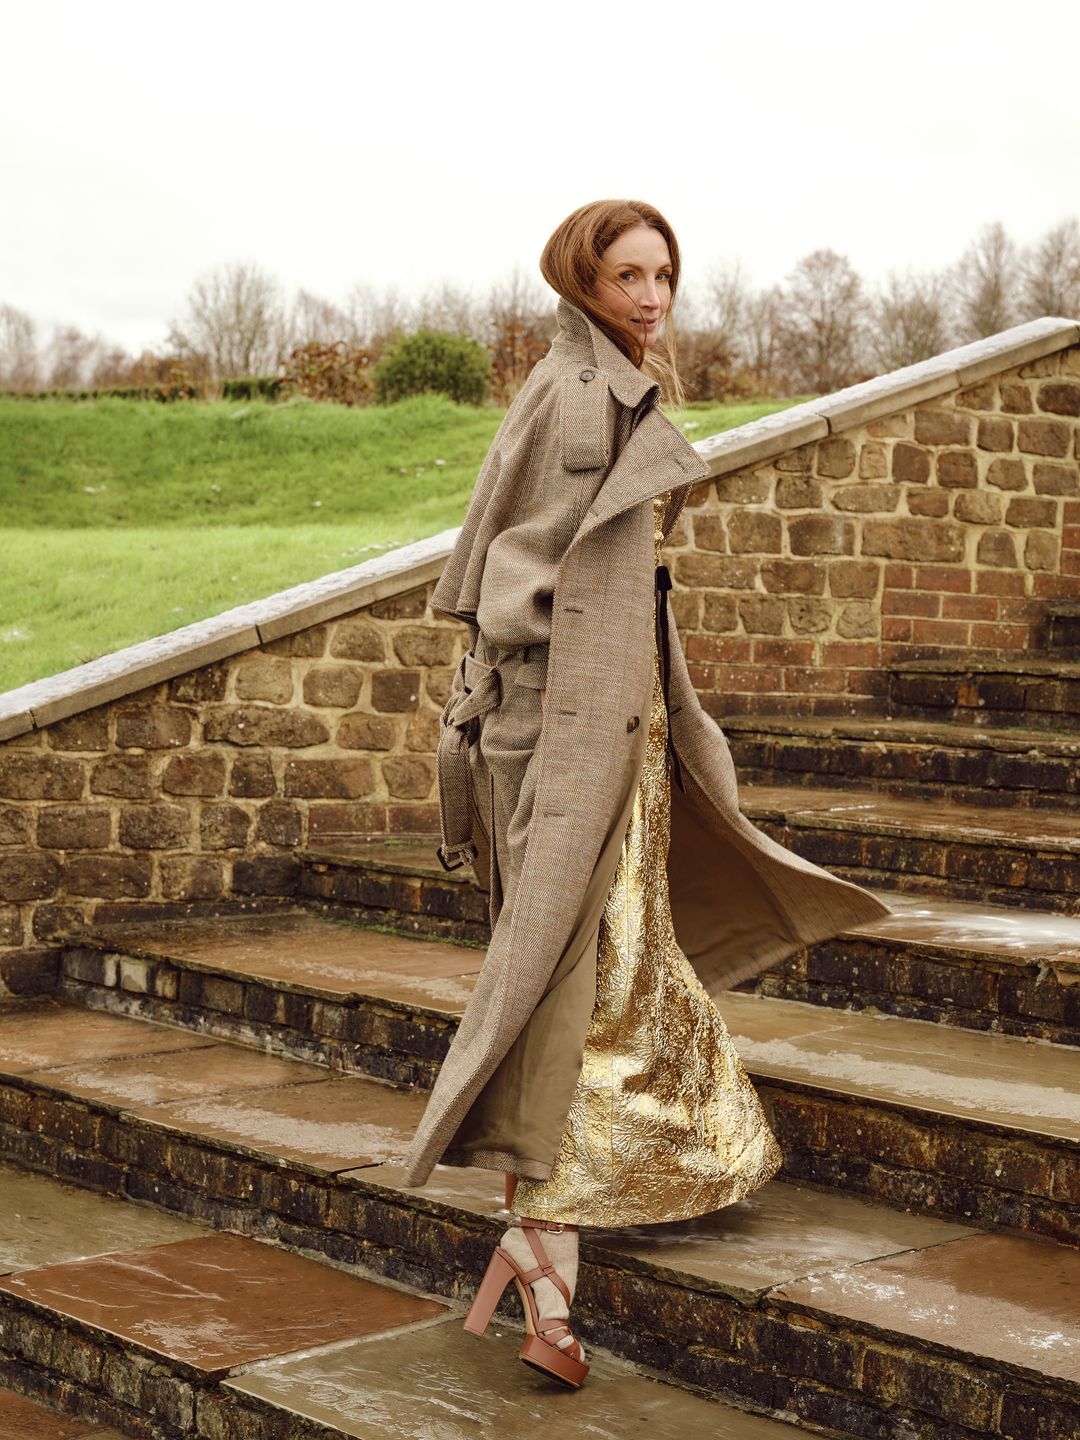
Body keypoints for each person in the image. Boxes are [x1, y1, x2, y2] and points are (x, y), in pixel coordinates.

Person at [402, 199, 892, 1389]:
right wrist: (572, 668)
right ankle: (542, 1262)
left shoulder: (599, 380)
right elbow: (511, 575)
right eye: (629, 275)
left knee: (591, 981)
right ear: (584, 277)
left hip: (599, 734)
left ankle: (542, 1249)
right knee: (561, 991)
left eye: (664, 274)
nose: (654, 296)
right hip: (573, 741)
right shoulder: (583, 397)